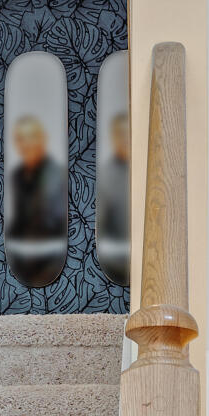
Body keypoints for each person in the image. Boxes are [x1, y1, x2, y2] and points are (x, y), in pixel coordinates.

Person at [5, 114, 68, 288]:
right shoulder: (16, 175)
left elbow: (56, 225)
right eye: (21, 138)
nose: (26, 143)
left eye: (32, 136)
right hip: (20, 264)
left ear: (43, 139)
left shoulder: (56, 175)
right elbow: (18, 221)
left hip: (53, 265)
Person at [95, 109, 132, 285]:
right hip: (113, 250)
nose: (125, 139)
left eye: (128, 133)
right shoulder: (107, 174)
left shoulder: (147, 173)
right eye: (120, 134)